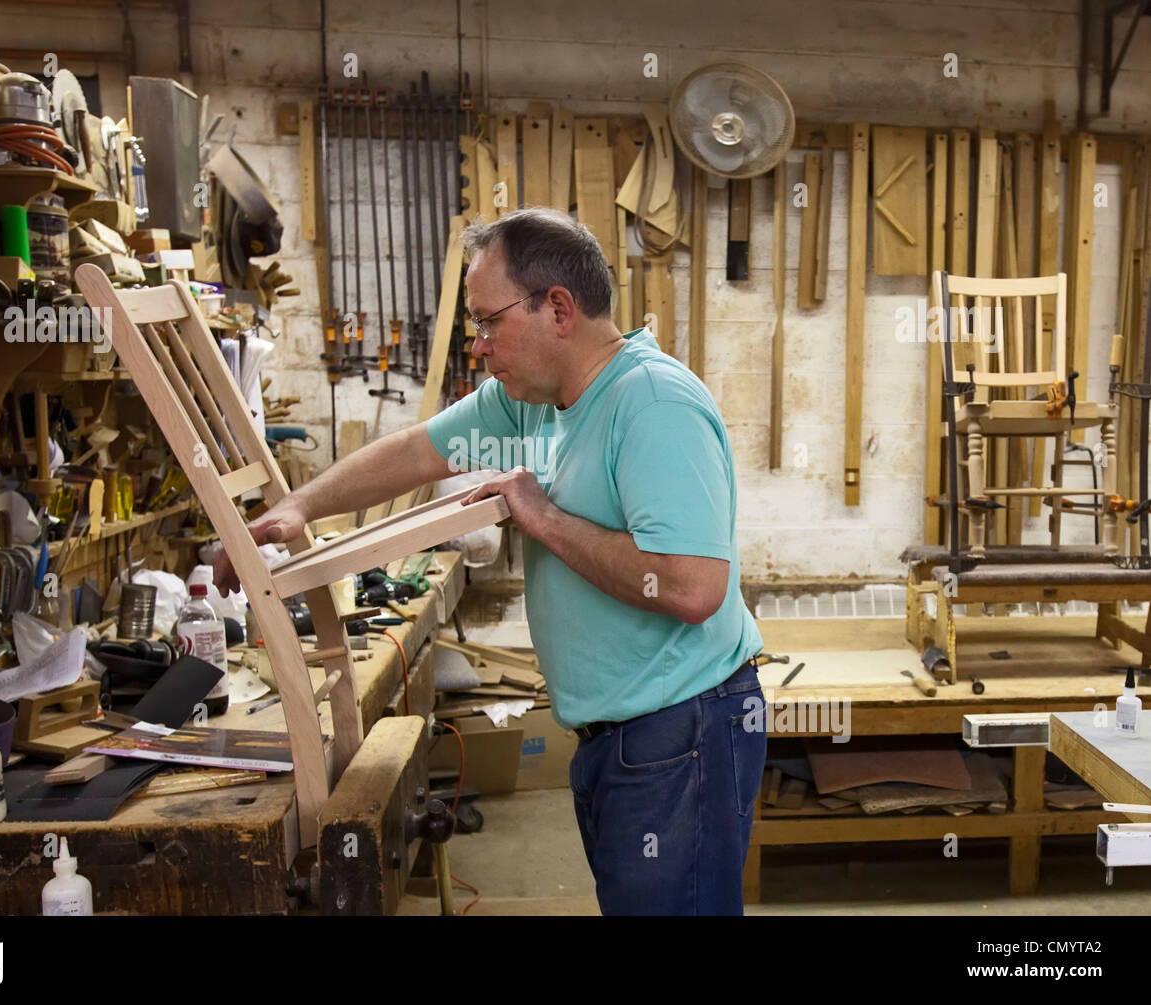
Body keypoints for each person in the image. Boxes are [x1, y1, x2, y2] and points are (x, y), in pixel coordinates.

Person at [214, 208, 766, 915]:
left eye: (488, 322)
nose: (476, 344)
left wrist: (544, 517)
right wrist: (300, 507)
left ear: (558, 309)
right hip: (621, 735)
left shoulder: (653, 404)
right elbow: (421, 450)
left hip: (681, 728)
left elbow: (694, 587)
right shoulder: (534, 403)